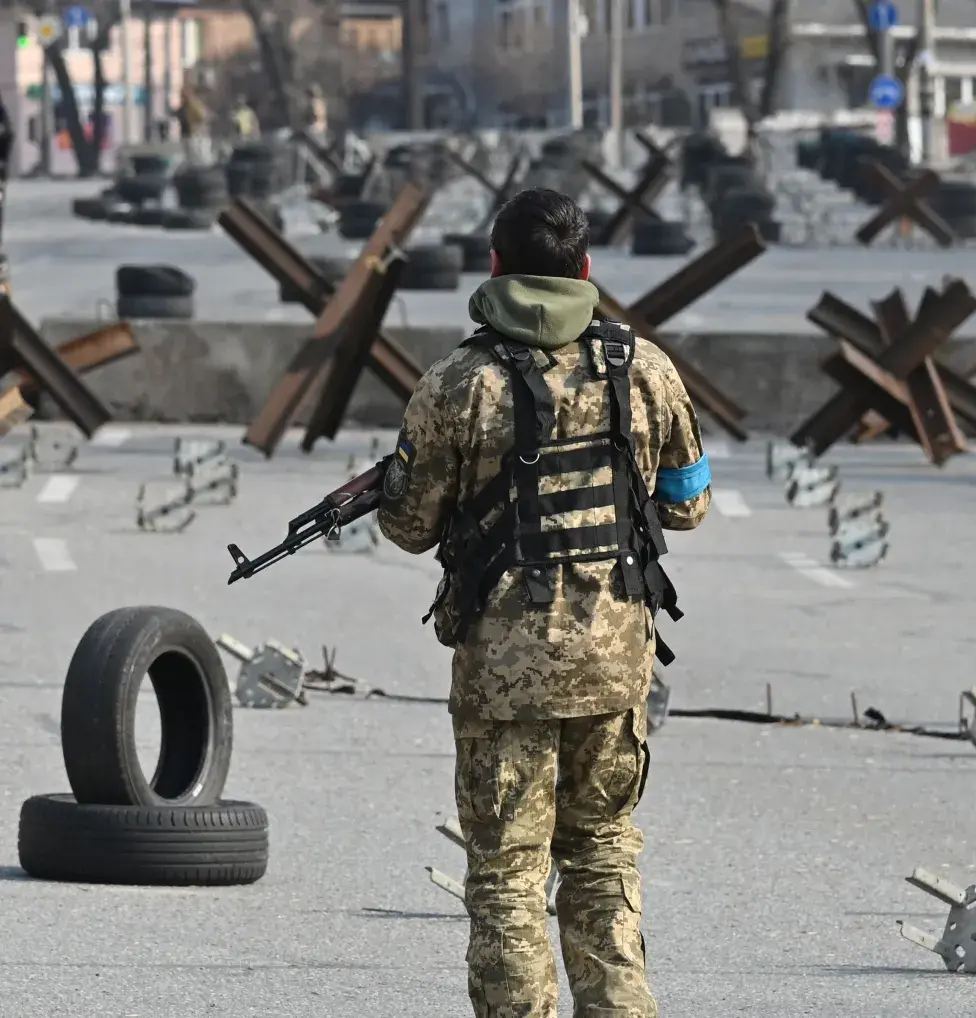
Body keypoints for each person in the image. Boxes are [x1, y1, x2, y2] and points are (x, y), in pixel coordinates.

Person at [376, 187, 711, 1018]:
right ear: (584, 269)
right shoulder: (645, 370)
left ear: (494, 268)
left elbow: (410, 526)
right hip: (613, 663)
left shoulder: (457, 382)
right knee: (602, 858)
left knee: (506, 876)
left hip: (503, 672)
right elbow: (687, 503)